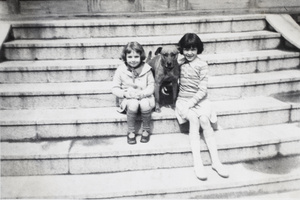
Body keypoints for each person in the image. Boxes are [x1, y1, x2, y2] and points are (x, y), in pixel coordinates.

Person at [176, 33, 229, 180]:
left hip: (200, 100)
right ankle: (197, 163)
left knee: (205, 121)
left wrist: (191, 103)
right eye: (186, 49)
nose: (190, 53)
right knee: (193, 119)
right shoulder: (179, 63)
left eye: (193, 49)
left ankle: (216, 162)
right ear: (182, 49)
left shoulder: (202, 65)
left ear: (198, 49)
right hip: (183, 100)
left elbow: (202, 90)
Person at [112, 41, 155, 145]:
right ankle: (131, 131)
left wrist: (143, 93)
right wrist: (125, 94)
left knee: (144, 103)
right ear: (125, 57)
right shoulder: (121, 70)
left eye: (136, 56)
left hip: (145, 98)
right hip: (129, 99)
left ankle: (146, 129)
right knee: (134, 103)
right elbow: (115, 88)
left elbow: (151, 86)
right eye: (130, 57)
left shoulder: (147, 69)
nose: (133, 60)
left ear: (141, 56)